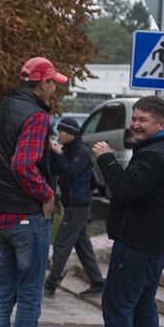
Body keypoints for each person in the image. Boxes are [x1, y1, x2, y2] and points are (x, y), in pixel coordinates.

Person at [81, 96, 164, 327]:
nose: (135, 124)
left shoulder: (154, 155)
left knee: (117, 306)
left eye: (143, 120)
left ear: (161, 124)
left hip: (138, 243)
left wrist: (106, 158)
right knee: (143, 307)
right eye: (134, 118)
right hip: (155, 243)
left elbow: (125, 189)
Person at [0, 56, 65, 327]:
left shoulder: (0, 111)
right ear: (42, 84)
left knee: (3, 293)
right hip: (28, 216)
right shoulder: (36, 116)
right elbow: (23, 165)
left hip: (1, 214)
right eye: (53, 84)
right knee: (30, 295)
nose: (55, 89)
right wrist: (46, 194)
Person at [44, 120, 104, 297]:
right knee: (82, 245)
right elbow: (55, 170)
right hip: (72, 203)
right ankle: (97, 281)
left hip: (79, 204)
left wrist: (58, 153)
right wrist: (53, 153)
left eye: (62, 132)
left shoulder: (81, 152)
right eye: (59, 131)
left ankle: (51, 283)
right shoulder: (68, 149)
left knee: (61, 245)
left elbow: (70, 172)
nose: (60, 134)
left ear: (71, 133)